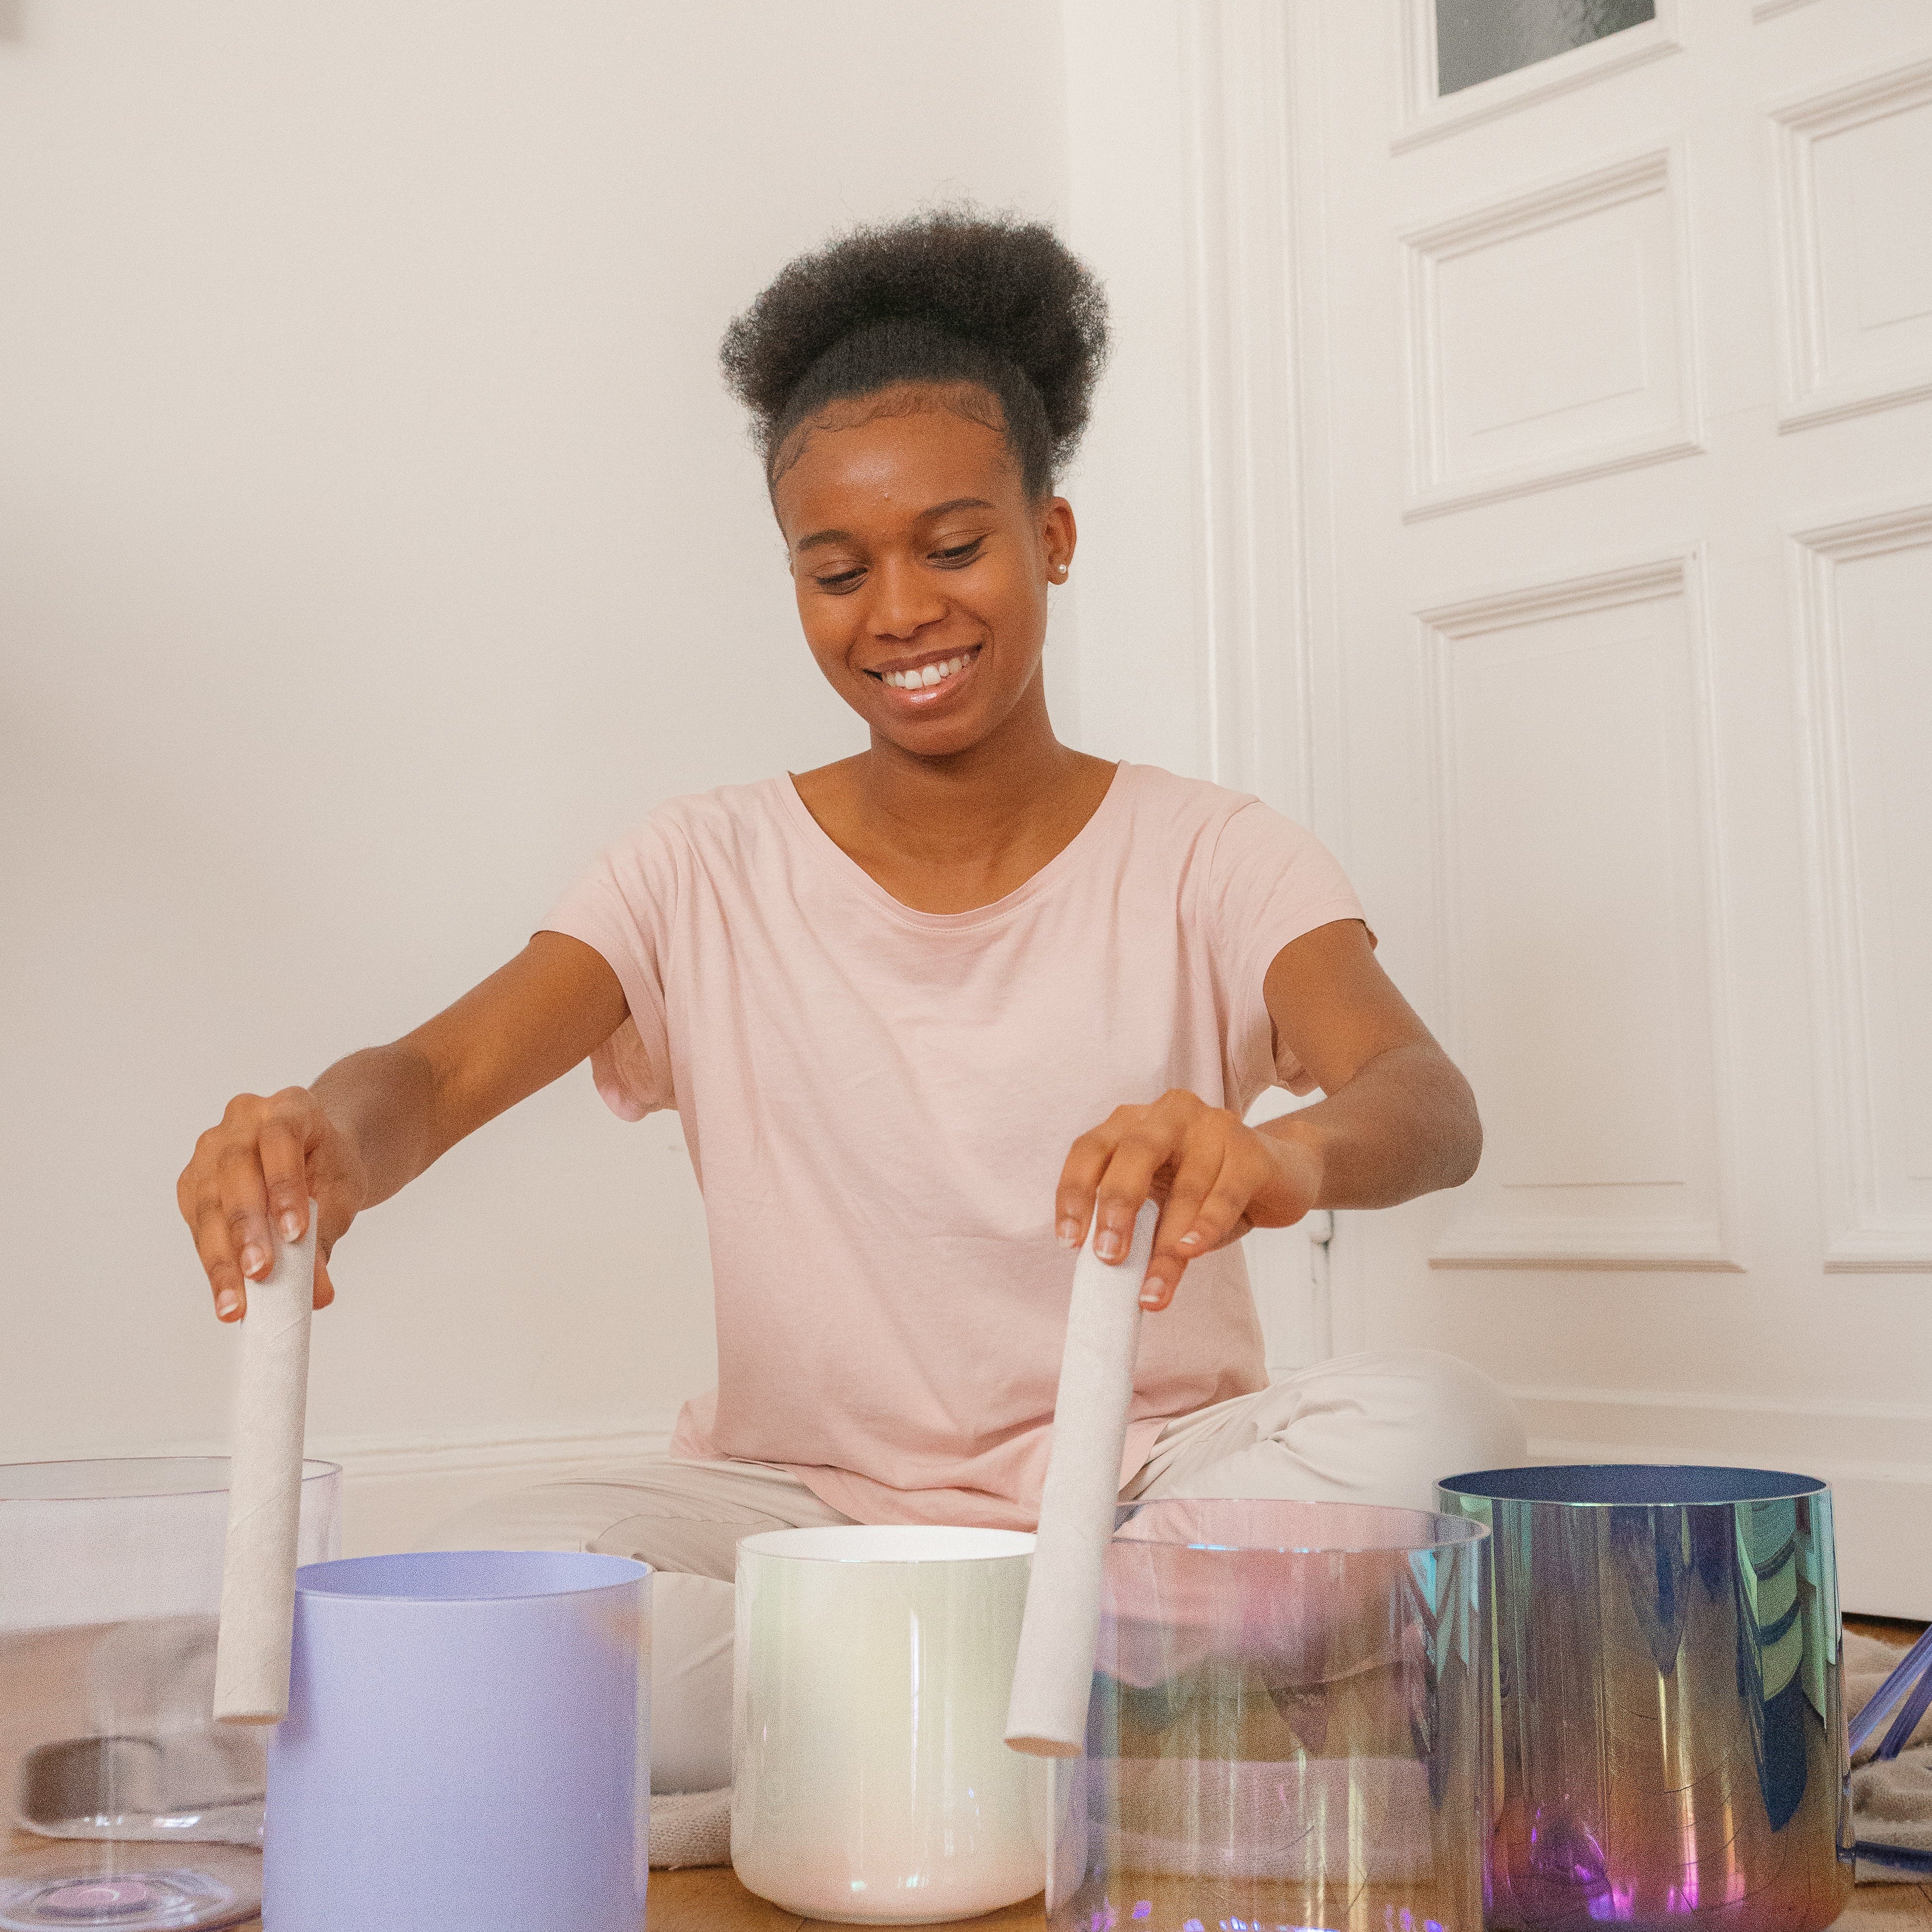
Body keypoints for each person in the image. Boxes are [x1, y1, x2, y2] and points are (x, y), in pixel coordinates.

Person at [176, 210, 1523, 1826]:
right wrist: (322, 1138)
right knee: (471, 1586)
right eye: (836, 570)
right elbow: (430, 1072)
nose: (897, 611)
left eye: (952, 548)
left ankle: (893, 1730)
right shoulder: (698, 863)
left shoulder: (1213, 852)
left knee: (1441, 1435)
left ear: (1052, 535)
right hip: (796, 1511)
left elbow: (1422, 1097)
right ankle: (1097, 1714)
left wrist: (1279, 1158)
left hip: (1143, 1487)